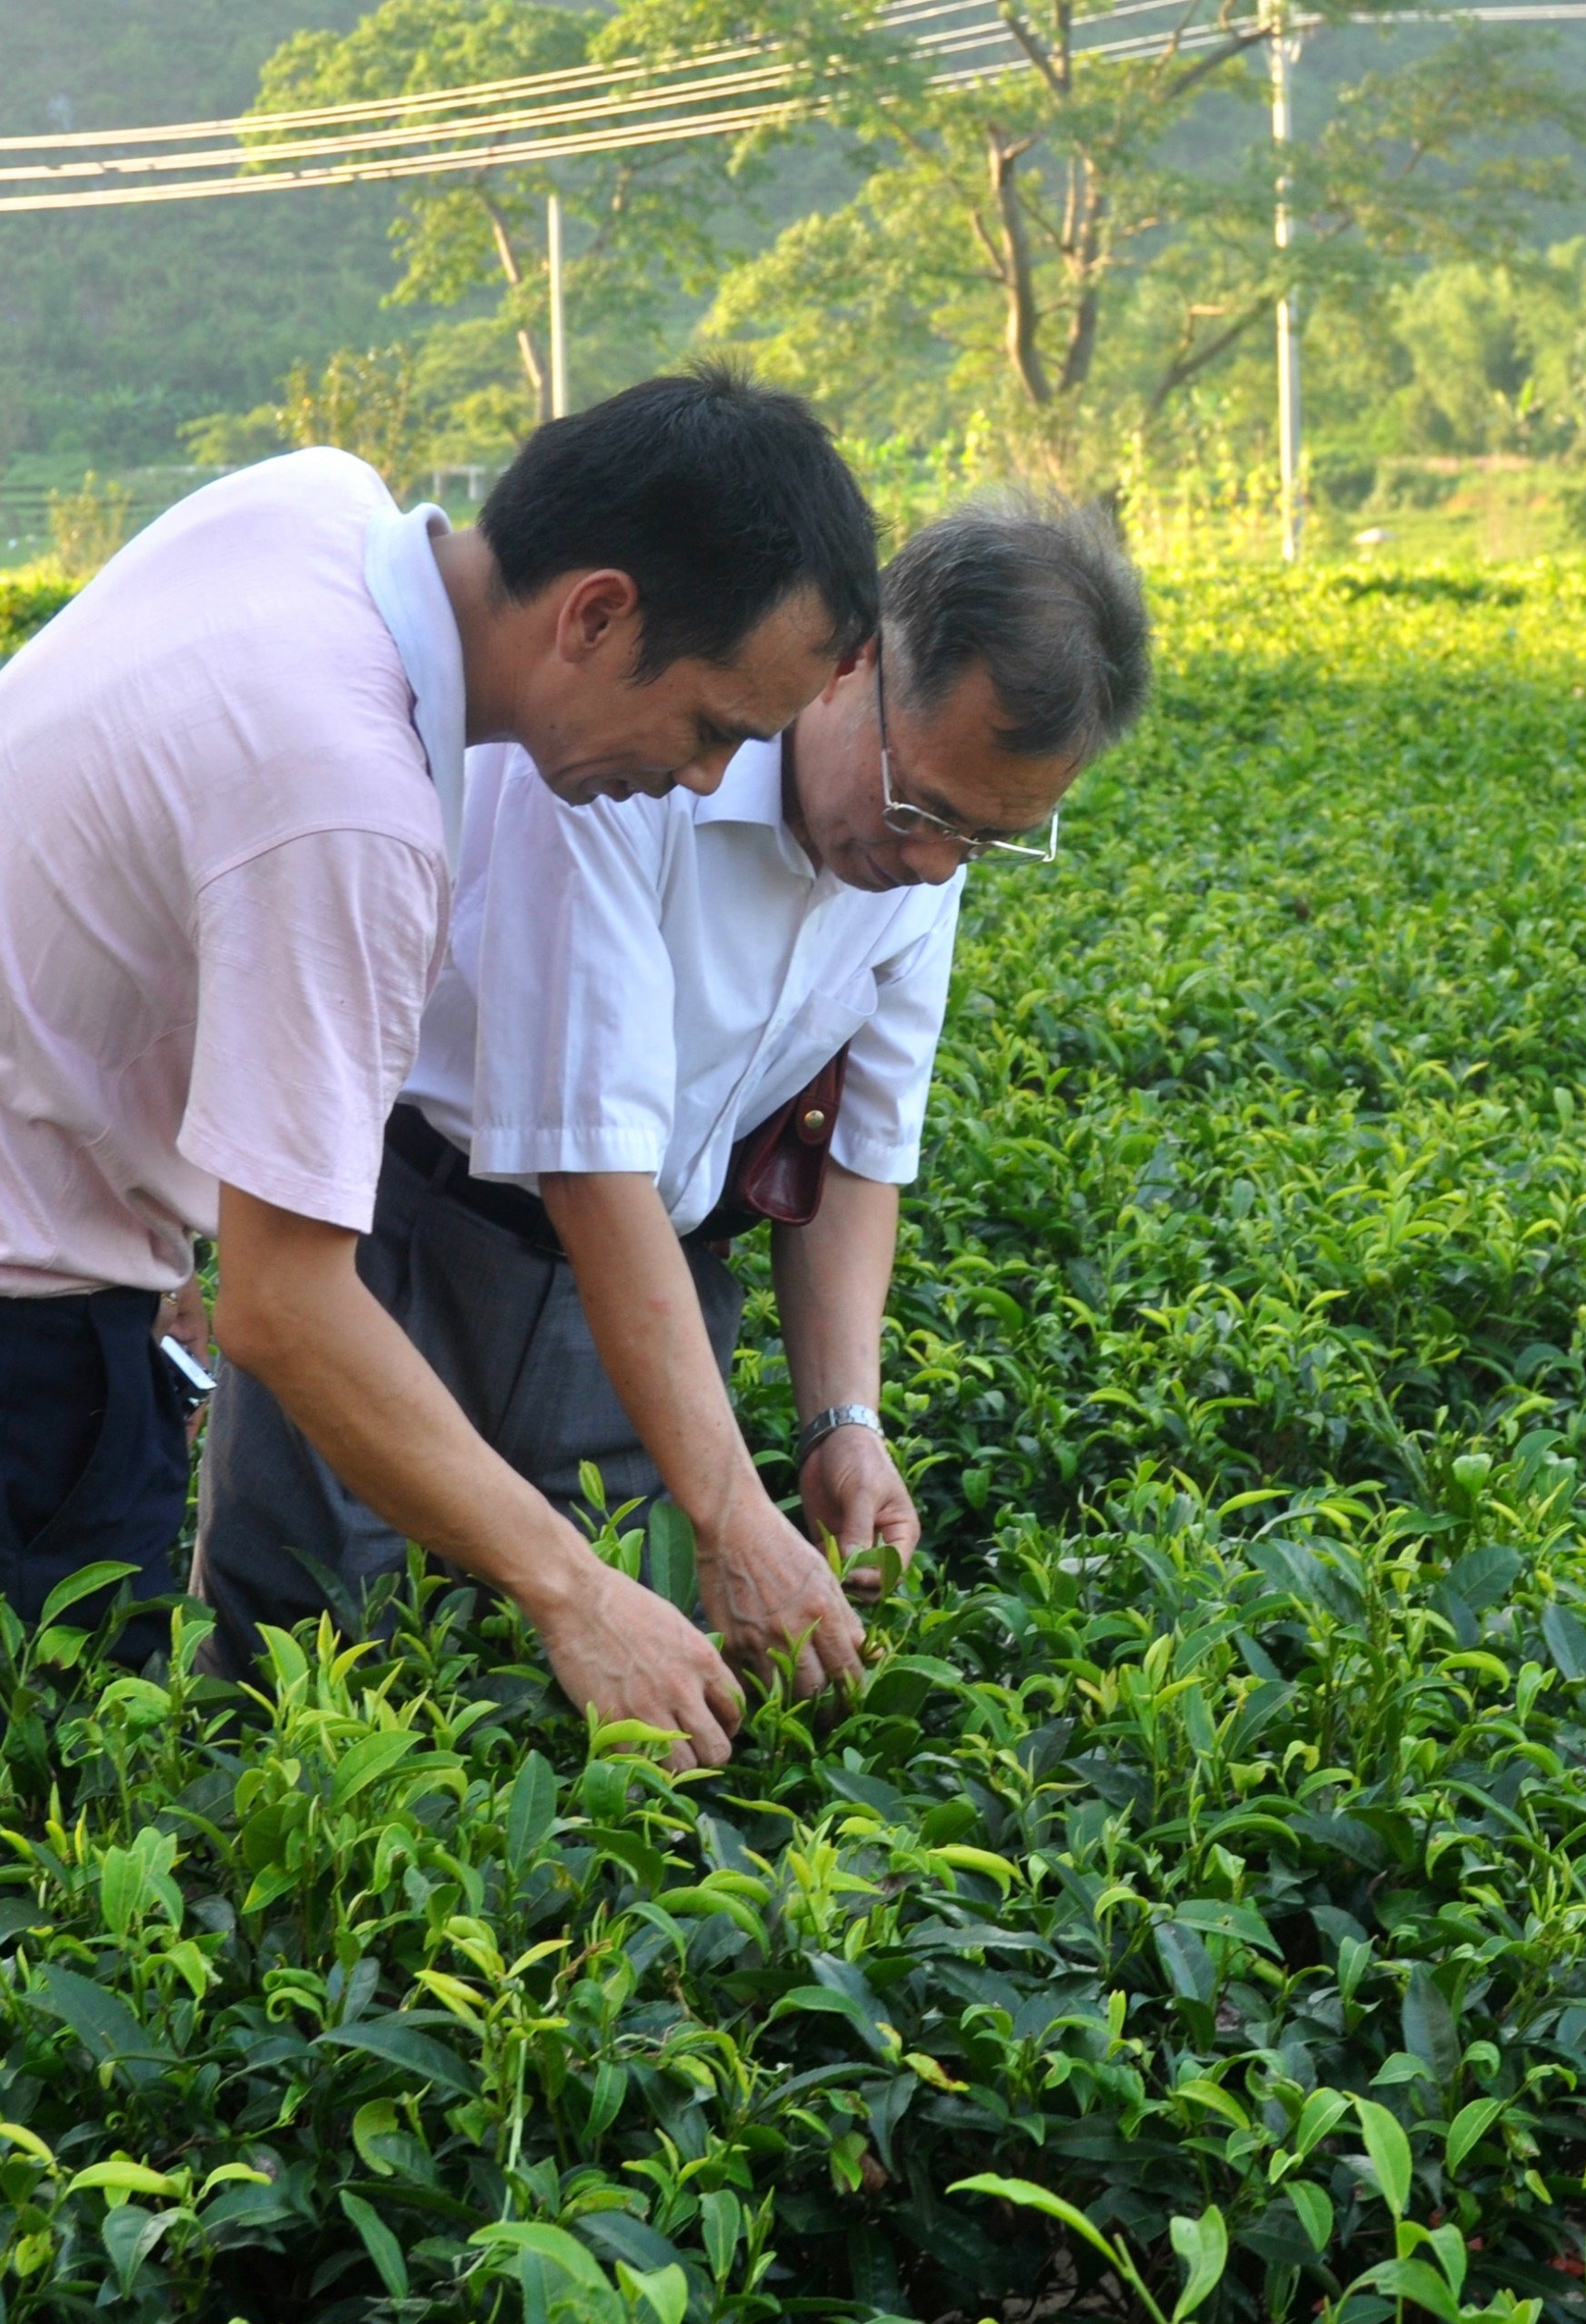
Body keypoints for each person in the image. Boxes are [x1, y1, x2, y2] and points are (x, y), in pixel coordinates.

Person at [0, 370, 882, 1774]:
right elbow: (284, 1309)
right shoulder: (351, 806)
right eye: (712, 726)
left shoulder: (315, 505)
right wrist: (580, 1595)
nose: (707, 782)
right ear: (596, 614)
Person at [193, 495, 1151, 1720]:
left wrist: (837, 1425)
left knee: (623, 1701)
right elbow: (586, 1159)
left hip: (652, 1299)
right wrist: (731, 1506)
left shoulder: (921, 841)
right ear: (854, 659)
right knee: (313, 1670)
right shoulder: (640, 751)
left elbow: (857, 1153)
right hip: (405, 1242)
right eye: (924, 810)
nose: (933, 864)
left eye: (987, 838)